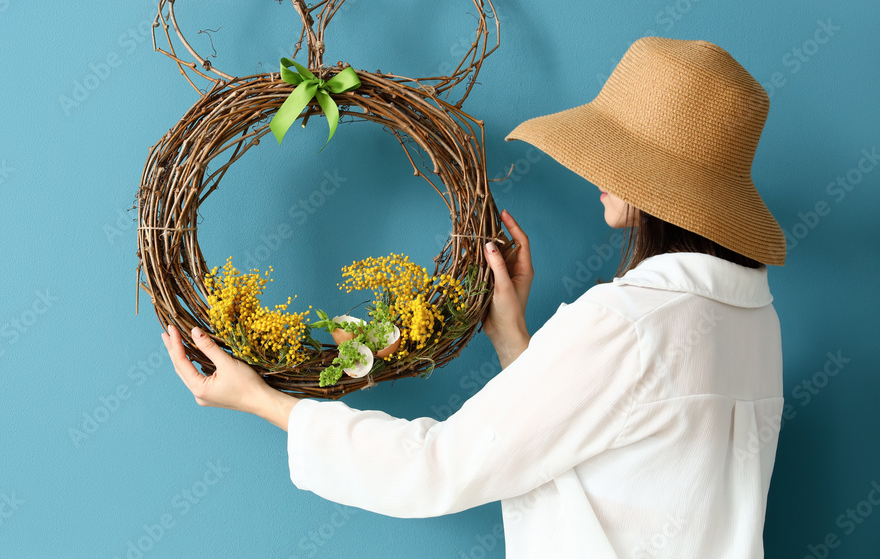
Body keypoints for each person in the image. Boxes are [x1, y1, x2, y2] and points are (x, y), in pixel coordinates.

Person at [160, 37, 787, 557]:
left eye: (610, 152)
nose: (593, 170)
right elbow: (617, 460)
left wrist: (263, 401)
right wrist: (517, 343)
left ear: (652, 182)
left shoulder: (627, 323)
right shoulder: (752, 321)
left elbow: (435, 468)